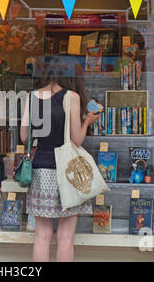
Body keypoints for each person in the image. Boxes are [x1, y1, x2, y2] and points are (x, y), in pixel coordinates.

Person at [20, 73, 100, 262]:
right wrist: (87, 121)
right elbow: (76, 140)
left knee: (41, 236)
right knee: (65, 238)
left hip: (40, 168)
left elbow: (25, 137)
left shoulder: (30, 97)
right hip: (67, 171)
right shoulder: (71, 97)